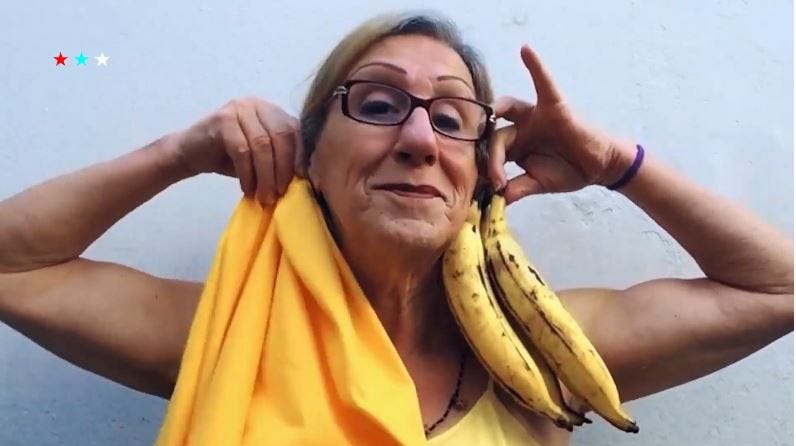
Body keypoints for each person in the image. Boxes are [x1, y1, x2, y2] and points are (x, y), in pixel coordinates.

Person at [0, 11, 792, 446]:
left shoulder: (542, 348)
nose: (418, 140)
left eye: (450, 119)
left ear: (480, 167)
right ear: (310, 155)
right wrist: (175, 154)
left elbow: (777, 289)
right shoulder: (229, 332)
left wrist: (618, 163)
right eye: (378, 105)